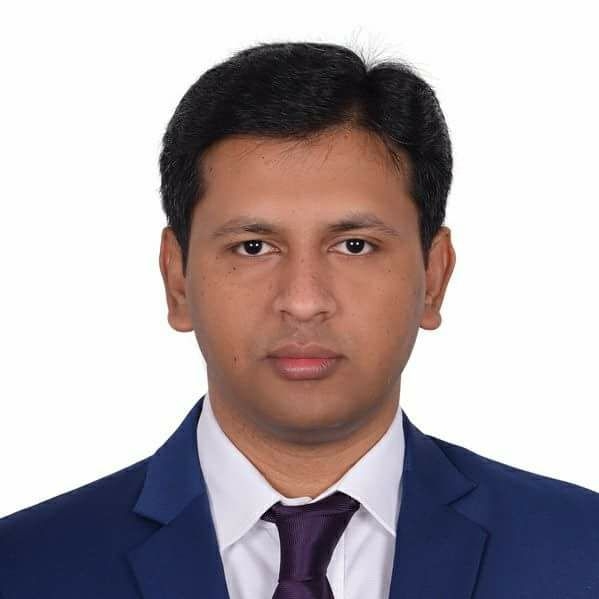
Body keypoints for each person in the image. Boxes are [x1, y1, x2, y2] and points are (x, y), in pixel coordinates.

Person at [1, 40, 598, 599]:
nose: (304, 300)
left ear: (433, 276)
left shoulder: (581, 551)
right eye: (254, 246)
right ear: (177, 279)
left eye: (355, 245)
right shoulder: (23, 566)